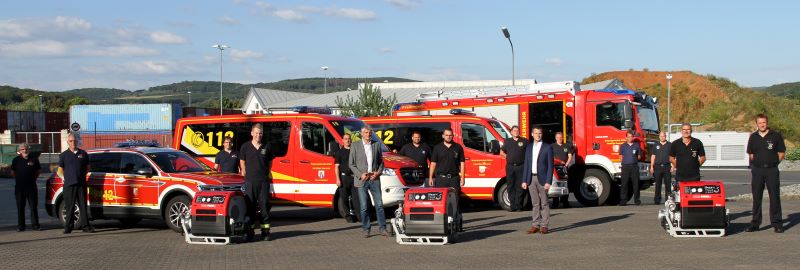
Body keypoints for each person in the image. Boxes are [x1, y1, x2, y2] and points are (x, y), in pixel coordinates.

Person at [745, 114, 785, 233]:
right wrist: (757, 165)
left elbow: (781, 154)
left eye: (764, 122)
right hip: (757, 170)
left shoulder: (776, 136)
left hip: (772, 170)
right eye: (760, 123)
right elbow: (751, 154)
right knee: (756, 197)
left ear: (767, 123)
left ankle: (777, 223)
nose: (762, 124)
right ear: (756, 124)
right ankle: (755, 224)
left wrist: (773, 163)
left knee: (774, 197)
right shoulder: (753, 137)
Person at [348, 126, 387, 237]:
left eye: (370, 133)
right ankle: (366, 228)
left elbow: (381, 162)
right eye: (366, 133)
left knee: (379, 205)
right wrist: (360, 174)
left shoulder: (376, 144)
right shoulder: (355, 146)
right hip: (362, 180)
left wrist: (378, 172)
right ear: (361, 134)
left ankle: (383, 228)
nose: (368, 135)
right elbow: (351, 164)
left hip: (374, 178)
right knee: (364, 206)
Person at [239, 123, 275, 241]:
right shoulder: (245, 146)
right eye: (256, 133)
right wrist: (244, 171)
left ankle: (265, 233)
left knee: (265, 207)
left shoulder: (267, 146)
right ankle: (249, 233)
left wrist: (266, 173)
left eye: (260, 133)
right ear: (252, 133)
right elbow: (242, 161)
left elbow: (270, 163)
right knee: (250, 208)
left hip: (263, 182)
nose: (258, 135)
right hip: (250, 182)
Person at [429, 128, 466, 230]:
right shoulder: (437, 148)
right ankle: (442, 225)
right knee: (441, 202)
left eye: (450, 135)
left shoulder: (458, 147)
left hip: (454, 178)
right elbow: (433, 163)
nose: (448, 137)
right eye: (446, 135)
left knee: (456, 201)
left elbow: (462, 163)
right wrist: (431, 177)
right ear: (443, 136)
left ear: (453, 136)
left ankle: (457, 225)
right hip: (441, 179)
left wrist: (463, 177)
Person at [522, 126, 554, 234]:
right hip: (531, 178)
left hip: (543, 179)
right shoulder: (529, 147)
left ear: (542, 134)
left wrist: (548, 181)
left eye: (540, 133)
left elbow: (550, 166)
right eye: (536, 133)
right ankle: (535, 225)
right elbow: (526, 164)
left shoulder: (547, 147)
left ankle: (544, 225)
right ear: (532, 134)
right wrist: (524, 180)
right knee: (535, 203)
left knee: (544, 203)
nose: (538, 135)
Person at [59, 133, 93, 233]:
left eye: (74, 141)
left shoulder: (83, 153)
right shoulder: (64, 155)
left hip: (81, 184)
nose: (73, 143)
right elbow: (59, 171)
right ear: (68, 142)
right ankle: (68, 227)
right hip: (69, 185)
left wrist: (81, 176)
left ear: (77, 141)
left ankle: (85, 226)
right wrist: (66, 179)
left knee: (83, 205)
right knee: (70, 206)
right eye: (71, 141)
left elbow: (87, 168)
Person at [11, 143, 41, 232]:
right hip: (20, 188)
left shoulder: (34, 160)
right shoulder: (16, 160)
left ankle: (35, 225)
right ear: (20, 151)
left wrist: (33, 179)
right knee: (20, 207)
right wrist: (19, 179)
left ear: (28, 150)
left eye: (26, 149)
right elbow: (13, 172)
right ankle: (21, 226)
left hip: (31, 187)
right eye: (23, 149)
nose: (25, 151)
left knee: (33, 207)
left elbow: (38, 171)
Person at [500, 126, 528, 212]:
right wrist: (507, 157)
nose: (516, 132)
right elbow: (501, 152)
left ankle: (518, 205)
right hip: (510, 166)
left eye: (517, 130)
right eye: (514, 130)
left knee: (519, 186)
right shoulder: (507, 141)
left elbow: (529, 153)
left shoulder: (524, 141)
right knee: (510, 186)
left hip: (521, 166)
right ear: (511, 132)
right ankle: (512, 205)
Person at [335, 133, 358, 223]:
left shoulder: (354, 151)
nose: (347, 140)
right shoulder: (339, 153)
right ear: (343, 140)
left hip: (354, 178)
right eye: (346, 139)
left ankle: (357, 215)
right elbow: (336, 167)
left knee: (356, 198)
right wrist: (338, 179)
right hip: (344, 178)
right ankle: (348, 216)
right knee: (344, 198)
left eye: (349, 139)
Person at [619, 130, 643, 206]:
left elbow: (639, 156)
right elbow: (620, 156)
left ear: (633, 137)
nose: (630, 138)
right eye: (628, 137)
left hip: (634, 167)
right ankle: (623, 200)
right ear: (626, 137)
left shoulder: (636, 145)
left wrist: (637, 156)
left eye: (631, 136)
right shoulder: (623, 146)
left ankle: (637, 200)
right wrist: (624, 161)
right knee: (624, 184)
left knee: (636, 184)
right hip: (625, 167)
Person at [550, 132, 573, 208]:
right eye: (558, 137)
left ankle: (565, 202)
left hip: (564, 168)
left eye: (561, 137)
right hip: (555, 168)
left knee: (565, 184)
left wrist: (566, 164)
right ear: (555, 138)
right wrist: (558, 161)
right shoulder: (552, 146)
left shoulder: (567, 146)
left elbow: (570, 156)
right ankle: (555, 203)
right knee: (555, 184)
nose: (560, 139)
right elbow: (550, 156)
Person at [650, 131, 672, 205]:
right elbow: (653, 156)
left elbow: (672, 157)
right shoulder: (656, 144)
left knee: (668, 184)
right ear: (659, 137)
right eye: (661, 136)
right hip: (657, 167)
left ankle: (668, 200)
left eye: (664, 136)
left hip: (667, 166)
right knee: (658, 184)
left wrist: (673, 166)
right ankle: (657, 200)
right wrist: (651, 166)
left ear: (666, 136)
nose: (662, 137)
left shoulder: (670, 145)